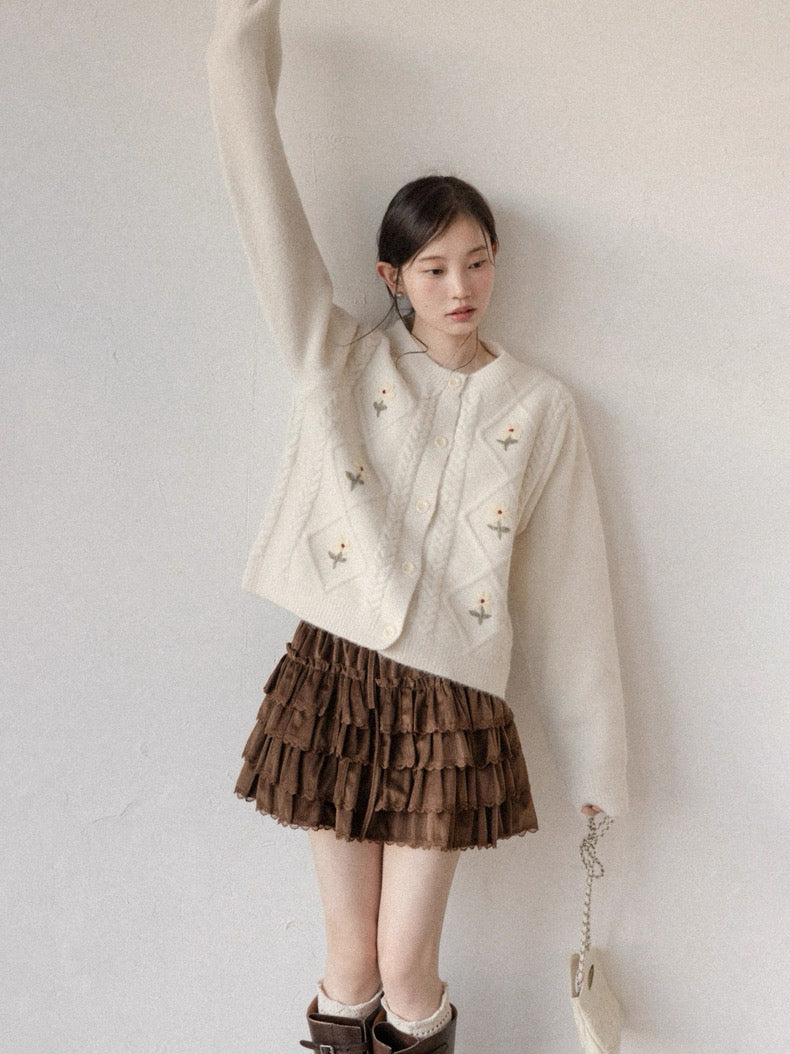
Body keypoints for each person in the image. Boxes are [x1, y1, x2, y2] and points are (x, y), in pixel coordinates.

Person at [206, 2, 628, 1051]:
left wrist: (597, 764)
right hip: (337, 680)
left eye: (477, 261)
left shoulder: (541, 407)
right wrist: (237, 47)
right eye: (435, 268)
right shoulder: (340, 361)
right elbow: (269, 219)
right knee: (350, 964)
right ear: (392, 278)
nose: (461, 287)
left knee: (405, 967)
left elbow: (568, 588)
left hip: (449, 696)